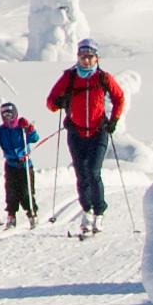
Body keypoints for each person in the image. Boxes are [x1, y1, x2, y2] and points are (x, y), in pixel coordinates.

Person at [46, 40, 129, 238]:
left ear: (96, 58)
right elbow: (50, 103)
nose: (86, 60)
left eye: (90, 56)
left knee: (93, 172)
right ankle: (87, 211)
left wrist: (114, 119)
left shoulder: (103, 78)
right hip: (76, 133)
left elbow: (119, 98)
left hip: (98, 131)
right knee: (81, 175)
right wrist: (59, 102)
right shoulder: (70, 77)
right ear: (78, 58)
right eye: (82, 56)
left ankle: (99, 212)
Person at [0, 103, 40, 227]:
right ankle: (11, 216)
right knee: (11, 191)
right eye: (4, 115)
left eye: (9, 114)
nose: (7, 117)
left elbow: (35, 138)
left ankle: (32, 214)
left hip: (25, 164)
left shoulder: (21, 127)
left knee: (26, 191)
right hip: (10, 165)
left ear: (15, 113)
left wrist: (29, 128)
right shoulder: (1, 131)